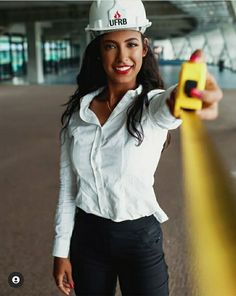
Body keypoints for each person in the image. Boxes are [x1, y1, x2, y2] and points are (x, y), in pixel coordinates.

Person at [52, 0, 223, 295]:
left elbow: (168, 107)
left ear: (144, 48)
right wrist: (61, 250)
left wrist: (186, 97)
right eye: (110, 46)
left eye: (131, 44)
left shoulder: (151, 105)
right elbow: (68, 187)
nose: (122, 56)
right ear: (98, 51)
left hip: (139, 239)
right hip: (88, 238)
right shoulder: (78, 115)